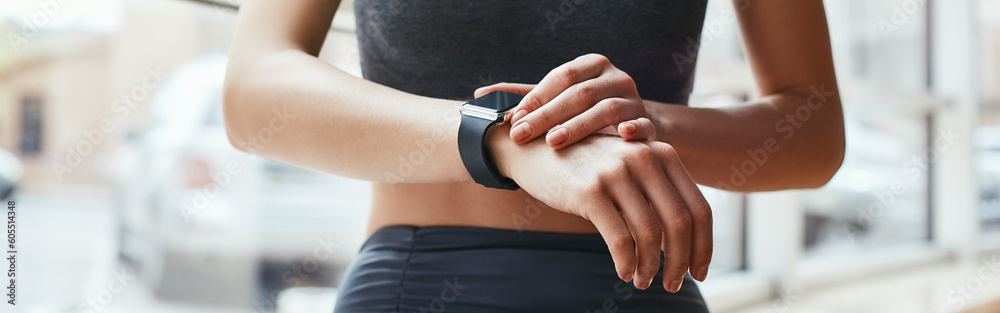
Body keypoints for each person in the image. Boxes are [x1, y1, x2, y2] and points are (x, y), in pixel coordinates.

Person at [223, 0, 845, 311]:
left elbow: (813, 132)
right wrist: (501, 141)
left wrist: (630, 121)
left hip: (641, 284)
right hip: (417, 286)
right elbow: (255, 90)